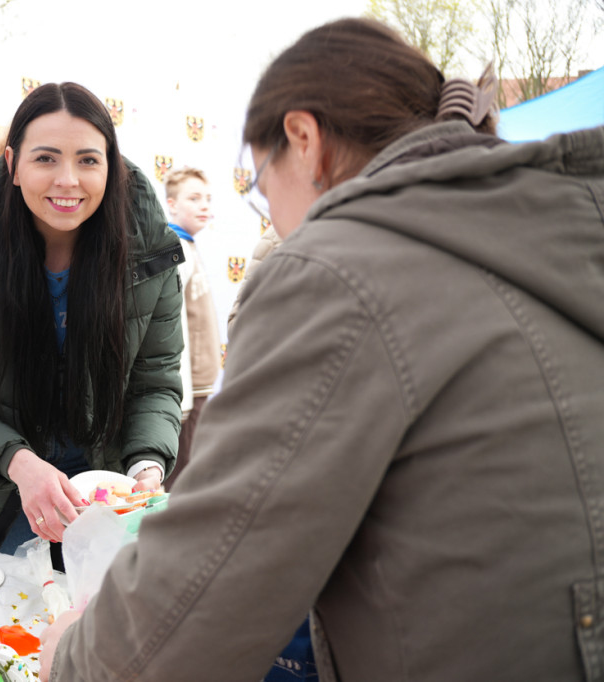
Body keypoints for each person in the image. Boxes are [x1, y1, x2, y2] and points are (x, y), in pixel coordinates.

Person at [41, 18, 604, 681]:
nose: (272, 217)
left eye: (260, 184)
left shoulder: (338, 270)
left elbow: (215, 578)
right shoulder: (550, 230)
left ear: (303, 139)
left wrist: (78, 658)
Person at [0, 82, 184, 555]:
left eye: (87, 160)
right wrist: (22, 465)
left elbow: (155, 384)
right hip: (4, 489)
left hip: (108, 493)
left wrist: (147, 463)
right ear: (12, 165)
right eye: (45, 159)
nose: (68, 180)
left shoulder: (149, 259)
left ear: (112, 167)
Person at [162, 167, 221, 485]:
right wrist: (180, 395)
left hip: (200, 386)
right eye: (194, 198)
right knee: (182, 473)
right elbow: (172, 324)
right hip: (187, 390)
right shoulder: (175, 249)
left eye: (208, 199)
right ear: (171, 204)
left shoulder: (188, 246)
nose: (204, 206)